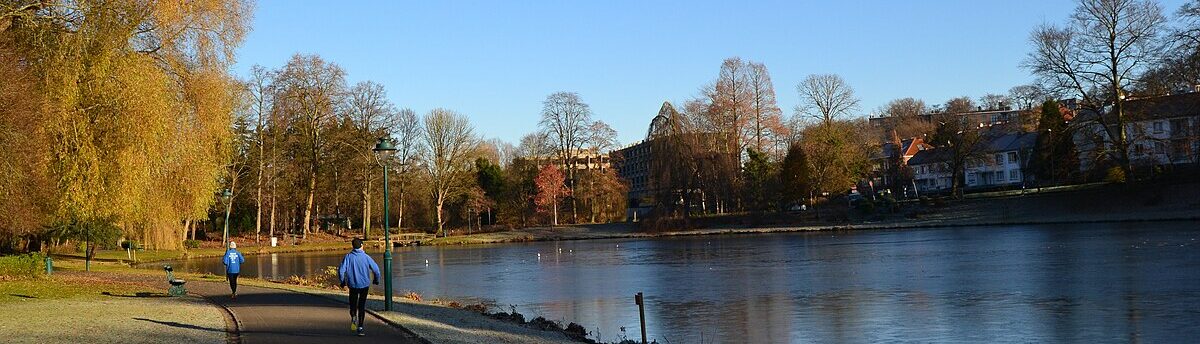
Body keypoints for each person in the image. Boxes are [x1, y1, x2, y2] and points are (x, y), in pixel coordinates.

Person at [338, 238, 380, 337]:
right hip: (364, 285)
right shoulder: (366, 257)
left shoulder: (348, 257)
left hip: (352, 285)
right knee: (361, 306)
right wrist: (376, 280)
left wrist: (343, 282)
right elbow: (376, 270)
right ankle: (360, 327)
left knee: (353, 304)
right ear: (361, 245)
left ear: (353, 246)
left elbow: (341, 271)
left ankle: (353, 316)